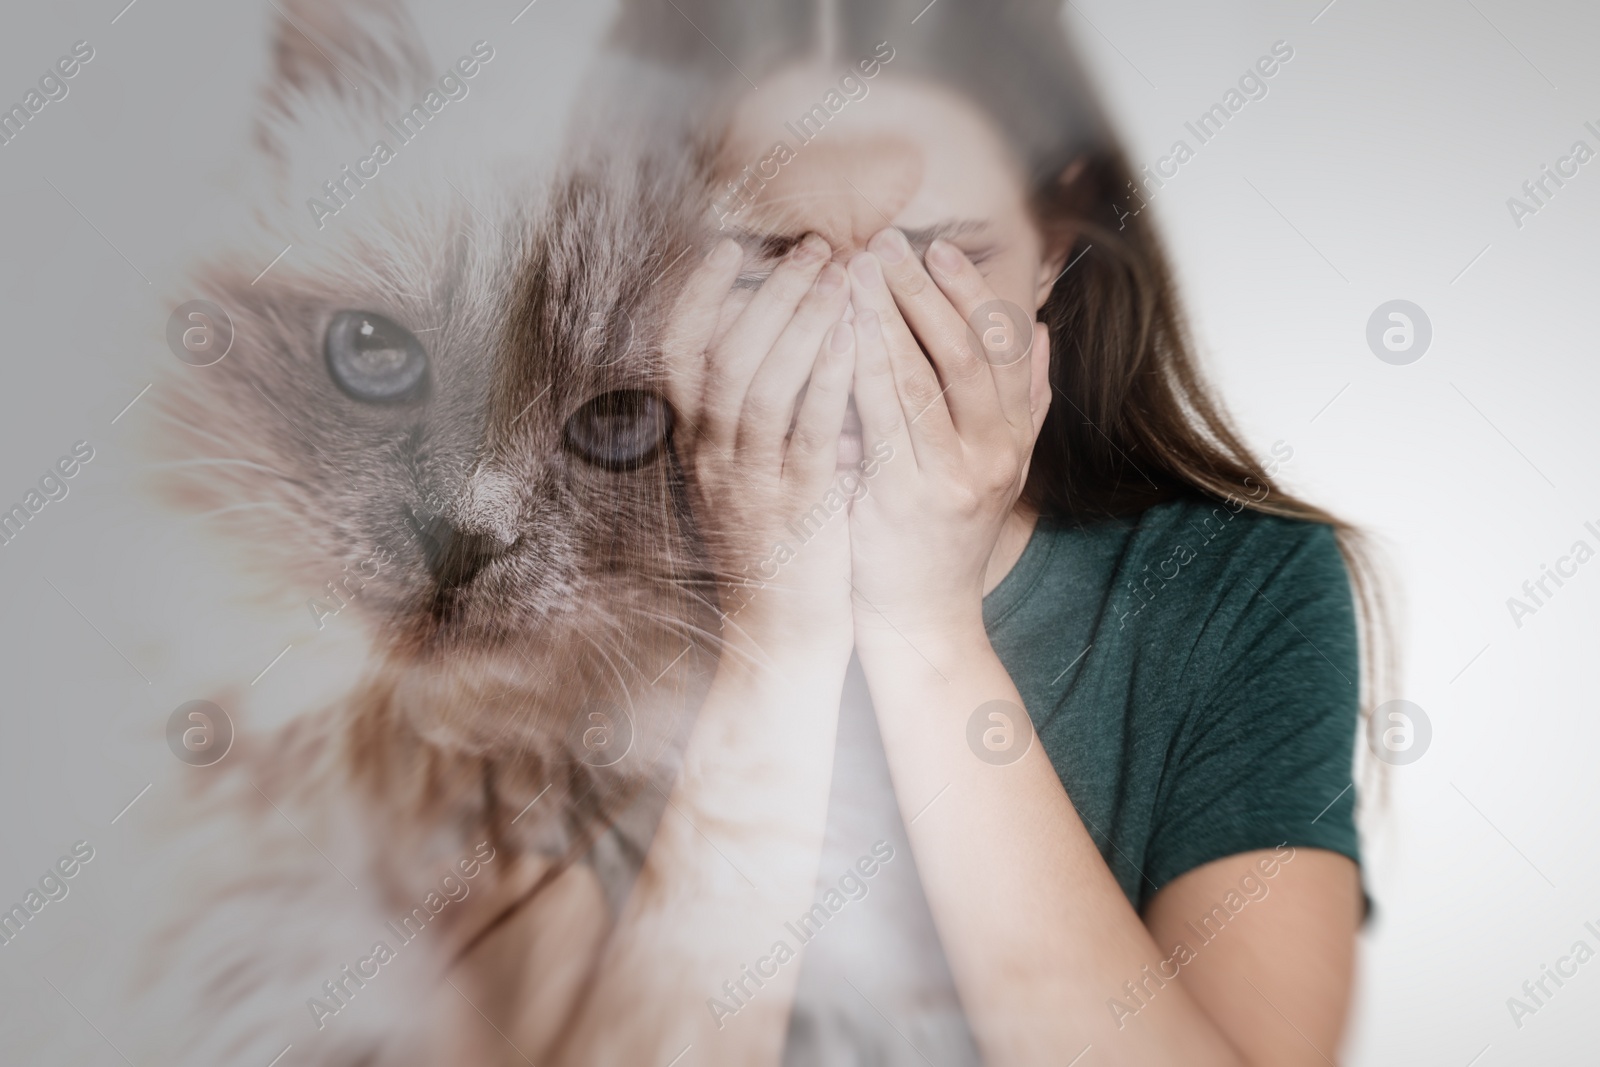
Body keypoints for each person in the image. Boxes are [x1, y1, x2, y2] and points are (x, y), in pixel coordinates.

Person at [551, 2, 1384, 1063]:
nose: (858, 338)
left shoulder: (1234, 587)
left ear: (1051, 252)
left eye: (937, 256)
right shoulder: (524, 590)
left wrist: (927, 627)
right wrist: (780, 646)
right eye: (767, 259)